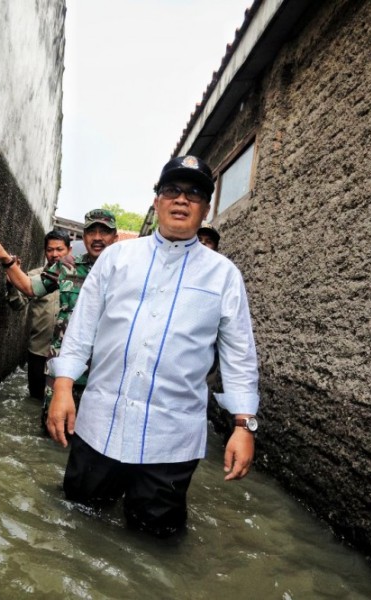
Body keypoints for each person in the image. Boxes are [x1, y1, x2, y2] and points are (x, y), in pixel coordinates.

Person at [46, 155, 260, 538]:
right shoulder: (117, 258)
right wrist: (63, 387)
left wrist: (244, 425)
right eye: (172, 190)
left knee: (155, 540)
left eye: (194, 193)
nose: (182, 200)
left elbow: (239, 356)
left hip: (172, 441)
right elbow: (82, 329)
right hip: (99, 426)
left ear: (206, 208)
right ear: (157, 200)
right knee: (76, 522)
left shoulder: (224, 276)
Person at [0, 209, 118, 426]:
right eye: (92, 232)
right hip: (62, 369)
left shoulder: (125, 272)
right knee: (51, 429)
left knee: (92, 435)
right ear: (84, 236)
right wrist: (7, 260)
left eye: (105, 232)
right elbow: (29, 287)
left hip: (104, 374)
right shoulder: (67, 267)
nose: (98, 237)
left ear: (115, 237)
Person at [7, 230, 71, 400]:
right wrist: (12, 284)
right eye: (50, 250)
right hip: (38, 352)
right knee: (35, 400)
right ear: (45, 252)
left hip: (66, 355)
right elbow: (18, 305)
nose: (55, 254)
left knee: (61, 400)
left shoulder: (78, 280)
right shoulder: (33, 278)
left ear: (69, 251)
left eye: (60, 249)